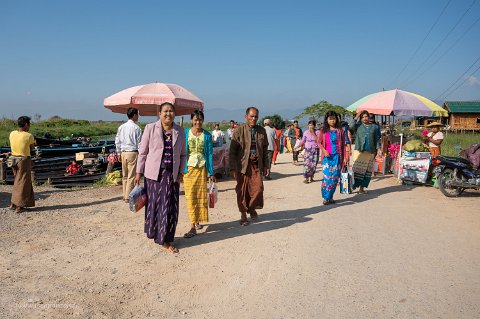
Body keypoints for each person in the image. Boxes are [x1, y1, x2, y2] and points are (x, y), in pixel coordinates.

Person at [135, 103, 186, 253]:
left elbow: (183, 154)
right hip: (153, 176)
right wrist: (138, 172)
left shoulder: (179, 131)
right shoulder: (150, 128)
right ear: (159, 113)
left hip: (172, 176)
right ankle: (158, 235)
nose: (168, 114)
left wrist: (181, 172)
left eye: (171, 111)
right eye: (165, 111)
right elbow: (143, 152)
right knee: (155, 206)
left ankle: (166, 238)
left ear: (174, 114)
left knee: (170, 207)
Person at [229, 107, 269, 225]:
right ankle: (243, 214)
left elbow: (265, 149)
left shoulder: (261, 131)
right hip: (242, 165)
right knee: (242, 191)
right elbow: (232, 151)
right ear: (246, 117)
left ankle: (251, 208)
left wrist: (267, 165)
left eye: (256, 116)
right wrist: (232, 168)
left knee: (258, 189)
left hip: (256, 164)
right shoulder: (239, 130)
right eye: (251, 116)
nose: (253, 119)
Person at [183, 110, 215, 239]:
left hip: (202, 169)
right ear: (191, 120)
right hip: (188, 170)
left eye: (200, 119)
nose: (198, 122)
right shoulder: (185, 133)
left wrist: (211, 171)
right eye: (195, 120)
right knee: (190, 196)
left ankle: (197, 221)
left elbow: (209, 154)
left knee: (200, 196)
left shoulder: (207, 135)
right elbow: (182, 153)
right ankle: (192, 225)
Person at [317, 112, 349, 204]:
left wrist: (345, 157)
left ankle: (330, 197)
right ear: (327, 119)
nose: (332, 120)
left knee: (335, 177)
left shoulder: (340, 130)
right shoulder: (323, 130)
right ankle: (325, 197)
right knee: (327, 177)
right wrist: (324, 150)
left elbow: (343, 144)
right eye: (330, 119)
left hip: (337, 157)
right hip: (327, 157)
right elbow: (319, 142)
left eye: (334, 119)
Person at [115, 107, 142, 203]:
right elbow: (139, 144)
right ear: (134, 115)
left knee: (125, 175)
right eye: (137, 114)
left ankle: (124, 195)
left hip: (123, 152)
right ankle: (128, 196)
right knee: (131, 175)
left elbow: (117, 141)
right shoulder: (137, 128)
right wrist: (141, 155)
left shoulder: (121, 127)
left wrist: (118, 152)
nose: (138, 116)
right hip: (132, 152)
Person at [9, 116, 35, 213]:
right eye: (29, 124)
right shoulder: (29, 135)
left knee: (17, 181)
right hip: (23, 160)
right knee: (23, 182)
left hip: (13, 159)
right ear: (26, 125)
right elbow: (32, 148)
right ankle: (19, 206)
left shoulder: (12, 133)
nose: (29, 126)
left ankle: (13, 203)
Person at [352, 110, 381, 194]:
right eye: (363, 117)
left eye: (366, 116)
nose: (365, 118)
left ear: (369, 117)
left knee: (366, 172)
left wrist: (378, 148)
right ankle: (353, 186)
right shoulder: (358, 126)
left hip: (370, 152)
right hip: (359, 151)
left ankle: (361, 189)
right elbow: (350, 127)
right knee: (357, 170)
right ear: (360, 119)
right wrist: (356, 117)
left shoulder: (374, 127)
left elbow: (377, 139)